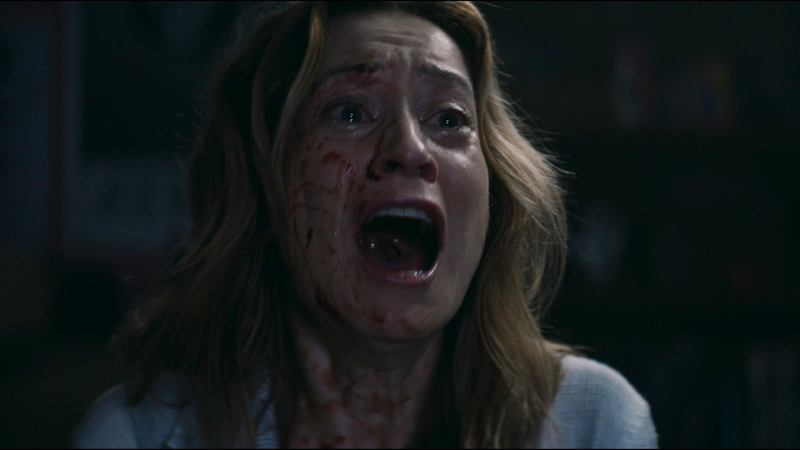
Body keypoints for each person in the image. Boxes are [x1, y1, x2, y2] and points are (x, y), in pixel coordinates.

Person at [73, 2, 657, 448]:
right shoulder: (137, 437)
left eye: (449, 118)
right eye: (350, 112)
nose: (410, 148)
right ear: (262, 184)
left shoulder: (595, 424)